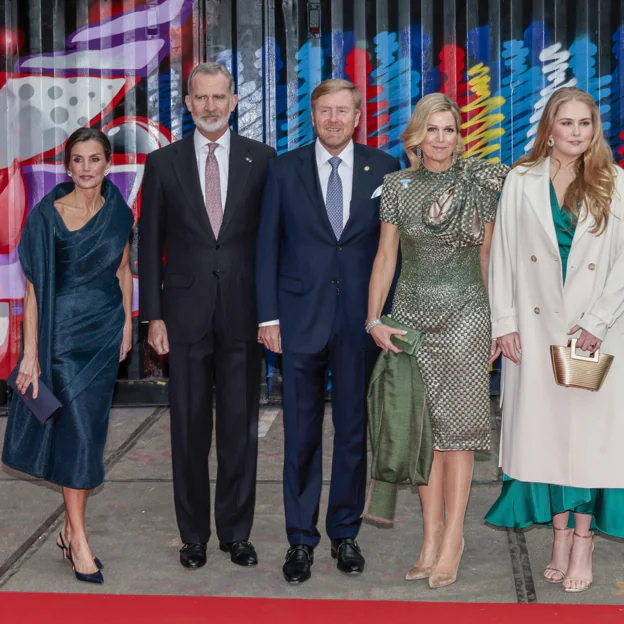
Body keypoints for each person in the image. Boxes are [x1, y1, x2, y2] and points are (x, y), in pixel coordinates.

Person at [256, 78, 400, 584]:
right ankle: (300, 541)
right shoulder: (283, 169)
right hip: (297, 322)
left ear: (358, 116)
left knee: (353, 432)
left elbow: (391, 253)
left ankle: (344, 533)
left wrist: (383, 315)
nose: (334, 119)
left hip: (360, 322)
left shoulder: (385, 168)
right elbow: (267, 246)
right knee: (300, 436)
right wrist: (268, 318)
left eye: (343, 111)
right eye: (325, 111)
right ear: (312, 116)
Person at [367, 93, 508, 588]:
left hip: (468, 313)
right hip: (410, 316)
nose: (441, 139)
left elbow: (489, 257)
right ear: (417, 136)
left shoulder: (478, 184)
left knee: (459, 431)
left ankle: (453, 538)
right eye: (432, 130)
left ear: (458, 135)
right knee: (422, 428)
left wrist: (496, 320)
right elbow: (385, 257)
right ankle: (428, 537)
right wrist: (373, 319)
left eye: (449, 130)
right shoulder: (396, 186)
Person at [138, 63, 276, 570]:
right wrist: (152, 316)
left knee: (240, 429)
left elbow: (270, 241)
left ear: (235, 101)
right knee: (188, 430)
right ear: (189, 103)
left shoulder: (262, 159)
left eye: (220, 97)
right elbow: (149, 244)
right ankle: (193, 535)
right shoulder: (163, 163)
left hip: (244, 313)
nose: (211, 106)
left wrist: (273, 313)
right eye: (202, 97)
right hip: (183, 316)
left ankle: (236, 533)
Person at [486, 86, 624, 593]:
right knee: (545, 439)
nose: (576, 132)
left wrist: (600, 319)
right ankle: (559, 537)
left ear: (595, 130)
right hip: (536, 330)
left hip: (595, 334)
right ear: (549, 126)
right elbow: (503, 254)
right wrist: (503, 323)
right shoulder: (520, 181)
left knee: (588, 442)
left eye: (585, 124)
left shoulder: (615, 182)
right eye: (567, 123)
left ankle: (583, 541)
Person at [2, 128, 134, 584]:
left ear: (107, 164)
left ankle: (67, 526)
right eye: (77, 160)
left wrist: (128, 326)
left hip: (103, 334)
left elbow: (123, 269)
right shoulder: (47, 216)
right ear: (68, 165)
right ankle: (79, 538)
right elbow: (34, 291)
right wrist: (30, 355)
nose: (85, 168)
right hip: (60, 337)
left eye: (94, 159)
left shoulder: (118, 212)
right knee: (75, 432)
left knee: (89, 434)